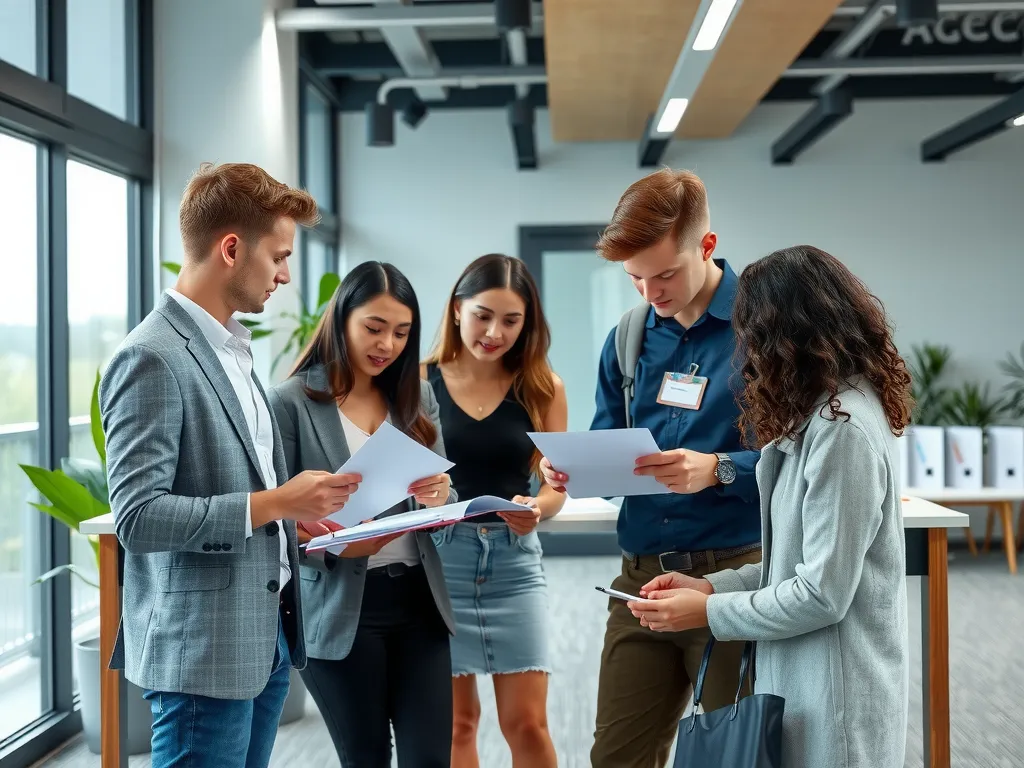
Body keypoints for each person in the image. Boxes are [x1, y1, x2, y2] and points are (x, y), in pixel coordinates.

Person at [99, 162, 354, 767]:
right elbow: (138, 518)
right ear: (232, 248)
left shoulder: (234, 350)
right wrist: (277, 504)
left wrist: (290, 522)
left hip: (260, 633)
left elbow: (232, 485)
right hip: (203, 648)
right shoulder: (151, 358)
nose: (286, 276)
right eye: (279, 257)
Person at [628, 245, 912, 768]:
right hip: (805, 681)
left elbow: (821, 594)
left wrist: (709, 611)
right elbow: (794, 563)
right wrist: (712, 587)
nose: (747, 355)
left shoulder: (841, 429)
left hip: (839, 694)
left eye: (752, 338)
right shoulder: (819, 417)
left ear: (787, 335)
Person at [538, 168, 762, 767]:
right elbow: (610, 439)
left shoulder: (766, 334)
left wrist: (719, 469)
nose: (650, 292)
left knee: (730, 756)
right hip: (638, 581)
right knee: (616, 757)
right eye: (635, 277)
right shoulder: (630, 337)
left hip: (732, 580)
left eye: (664, 273)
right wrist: (575, 471)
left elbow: (800, 466)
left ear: (707, 246)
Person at [268, 260, 457, 767]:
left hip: (419, 601)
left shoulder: (416, 397)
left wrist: (440, 494)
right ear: (341, 320)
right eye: (374, 328)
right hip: (339, 607)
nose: (387, 345)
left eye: (401, 332)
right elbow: (276, 518)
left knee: (430, 758)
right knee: (367, 757)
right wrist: (336, 545)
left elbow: (440, 488)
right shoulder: (289, 403)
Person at [421, 253, 568, 768]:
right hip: (441, 563)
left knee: (527, 724)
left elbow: (557, 486)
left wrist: (539, 507)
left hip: (514, 563)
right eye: (483, 315)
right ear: (458, 308)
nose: (494, 332)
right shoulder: (418, 382)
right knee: (457, 725)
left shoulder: (542, 386)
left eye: (511, 320)